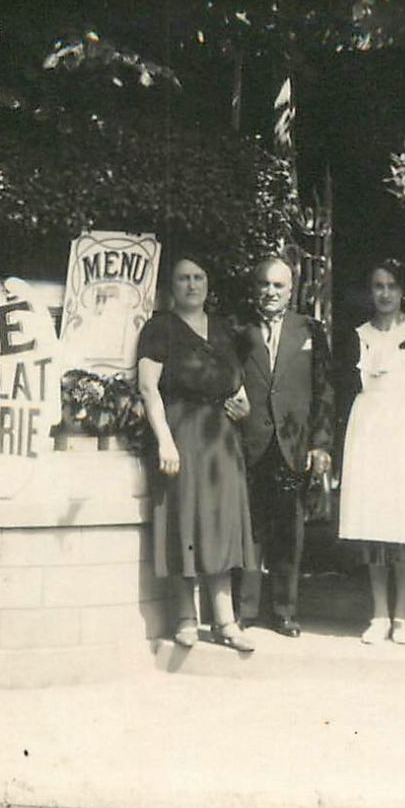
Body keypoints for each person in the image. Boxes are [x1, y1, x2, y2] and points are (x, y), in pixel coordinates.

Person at [138, 254, 258, 652]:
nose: (192, 285)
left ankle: (225, 620)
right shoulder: (160, 329)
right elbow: (148, 388)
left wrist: (243, 406)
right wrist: (165, 440)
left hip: (220, 441)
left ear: (208, 283)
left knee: (220, 525)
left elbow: (237, 385)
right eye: (184, 278)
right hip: (181, 434)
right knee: (184, 522)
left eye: (199, 277)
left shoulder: (224, 330)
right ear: (171, 287)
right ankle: (186, 618)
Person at [227, 256, 334, 637]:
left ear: (291, 291)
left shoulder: (309, 330)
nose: (270, 293)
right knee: (250, 527)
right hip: (250, 442)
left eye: (278, 286)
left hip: (293, 444)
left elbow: (324, 391)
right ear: (255, 288)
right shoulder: (238, 329)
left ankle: (285, 611)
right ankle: (246, 609)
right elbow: (225, 379)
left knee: (289, 530)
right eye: (264, 285)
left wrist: (320, 445)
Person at [335, 260, 405, 645]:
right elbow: (348, 387)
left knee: (403, 520)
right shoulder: (357, 335)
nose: (384, 293)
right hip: (369, 430)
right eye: (377, 286)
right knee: (373, 521)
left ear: (403, 290)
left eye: (392, 286)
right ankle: (379, 613)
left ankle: (403, 615)